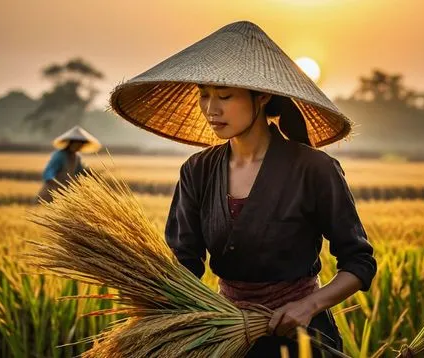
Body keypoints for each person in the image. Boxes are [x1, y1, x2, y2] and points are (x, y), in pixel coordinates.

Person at [110, 21, 377, 357]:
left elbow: (359, 262)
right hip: (226, 337)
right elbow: (185, 263)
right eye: (204, 95)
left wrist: (308, 306)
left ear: (262, 96)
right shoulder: (198, 170)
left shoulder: (314, 169)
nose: (211, 109)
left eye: (224, 96)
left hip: (303, 340)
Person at [37, 126, 101, 203]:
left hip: (66, 191)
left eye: (81, 145)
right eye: (78, 144)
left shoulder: (76, 157)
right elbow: (48, 172)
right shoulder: (59, 155)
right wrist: (55, 182)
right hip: (52, 191)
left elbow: (80, 171)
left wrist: (91, 174)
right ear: (72, 143)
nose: (79, 147)